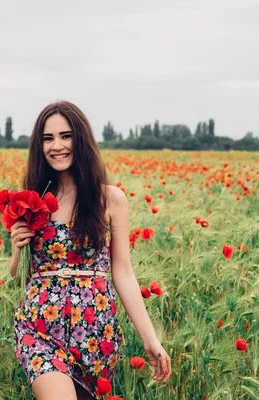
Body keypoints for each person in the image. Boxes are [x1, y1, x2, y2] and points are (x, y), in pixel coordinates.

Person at [10, 101, 171, 400]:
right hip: (40, 329)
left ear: (81, 139)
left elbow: (122, 272)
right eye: (48, 138)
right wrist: (16, 248)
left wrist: (151, 340)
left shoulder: (109, 199)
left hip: (96, 333)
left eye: (65, 136)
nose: (57, 146)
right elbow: (21, 277)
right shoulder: (33, 199)